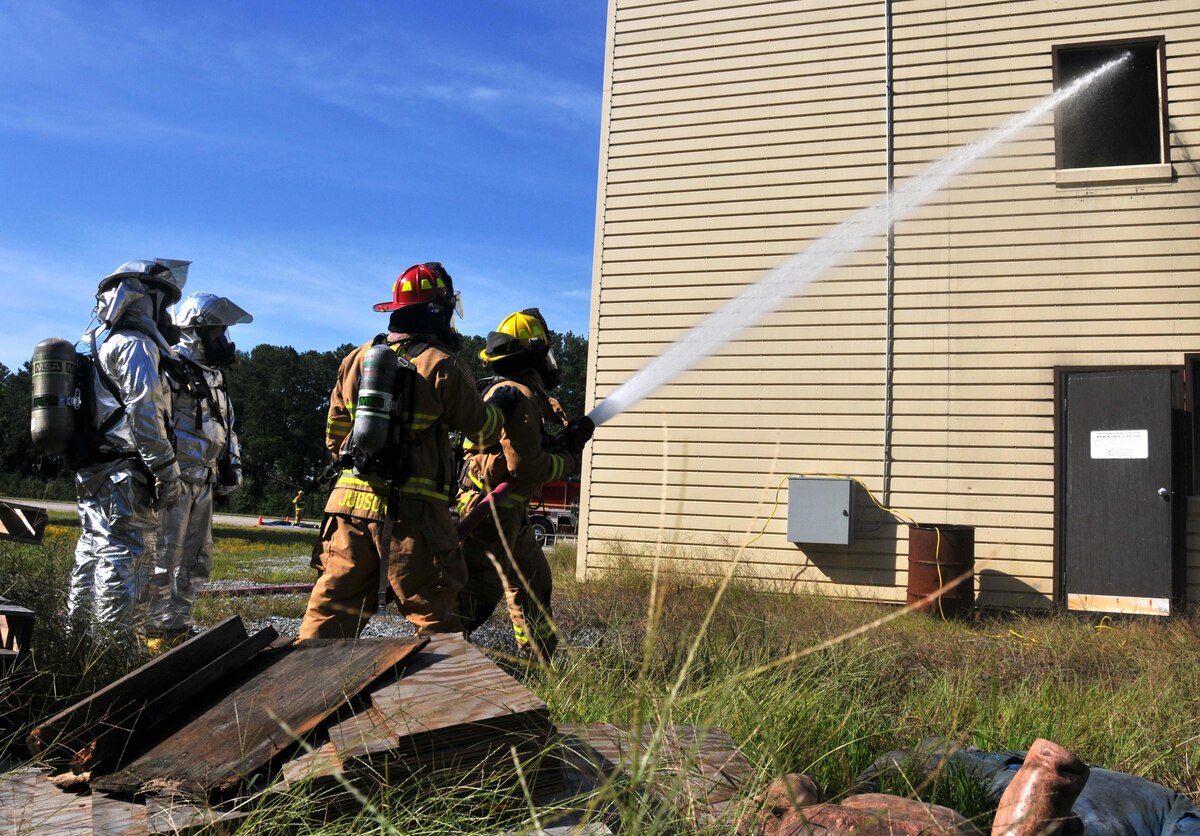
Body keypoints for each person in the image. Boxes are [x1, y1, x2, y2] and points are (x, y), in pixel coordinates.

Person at [298, 263, 511, 640]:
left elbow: (334, 438)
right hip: (414, 518)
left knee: (330, 613)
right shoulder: (443, 364)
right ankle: (445, 695)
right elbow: (481, 430)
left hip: (347, 509)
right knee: (436, 615)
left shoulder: (357, 358)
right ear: (438, 311)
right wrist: (500, 407)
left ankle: (299, 693)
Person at [456, 309, 594, 663]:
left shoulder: (518, 394)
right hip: (489, 516)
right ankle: (431, 661)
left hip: (508, 514)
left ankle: (537, 664)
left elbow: (524, 448)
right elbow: (526, 466)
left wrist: (561, 440)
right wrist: (570, 458)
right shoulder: (515, 393)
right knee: (477, 596)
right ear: (534, 356)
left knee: (534, 584)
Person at [68, 259, 190, 642]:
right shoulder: (136, 346)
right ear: (146, 300)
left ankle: (79, 643)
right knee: (127, 561)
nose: (167, 314)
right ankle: (115, 654)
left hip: (97, 471)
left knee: (91, 556)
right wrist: (167, 472)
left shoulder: (98, 342)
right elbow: (145, 413)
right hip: (126, 475)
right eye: (163, 303)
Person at [148, 293, 251, 646]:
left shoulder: (216, 379)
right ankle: (152, 629)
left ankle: (177, 625)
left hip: (205, 480)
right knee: (164, 555)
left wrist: (232, 466)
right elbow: (154, 421)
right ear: (196, 332)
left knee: (197, 558)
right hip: (175, 482)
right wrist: (161, 471)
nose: (225, 340)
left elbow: (228, 425)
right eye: (218, 332)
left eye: (225, 332)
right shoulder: (171, 370)